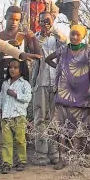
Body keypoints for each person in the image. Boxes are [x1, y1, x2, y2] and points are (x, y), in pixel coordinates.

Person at [46, 25, 90, 170]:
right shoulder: (63, 49)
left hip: (83, 94)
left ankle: (83, 158)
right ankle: (63, 159)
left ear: (83, 36)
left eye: (78, 35)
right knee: (62, 128)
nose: (74, 37)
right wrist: (61, 69)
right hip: (64, 94)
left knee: (83, 128)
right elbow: (48, 59)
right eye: (72, 34)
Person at [31, 12, 67, 166]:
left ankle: (54, 153)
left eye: (48, 20)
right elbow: (35, 51)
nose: (45, 23)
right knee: (40, 118)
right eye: (42, 20)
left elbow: (66, 44)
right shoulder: (36, 37)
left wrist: (54, 29)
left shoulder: (57, 37)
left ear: (53, 21)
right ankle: (41, 154)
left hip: (56, 83)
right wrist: (42, 35)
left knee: (55, 120)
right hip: (41, 82)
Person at [0, 59, 32, 174]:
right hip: (6, 116)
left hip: (19, 116)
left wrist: (15, 94)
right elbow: (1, 98)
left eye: (15, 67)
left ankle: (22, 161)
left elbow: (28, 98)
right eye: (10, 67)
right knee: (6, 141)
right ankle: (7, 163)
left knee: (20, 140)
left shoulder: (24, 84)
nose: (12, 69)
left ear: (21, 69)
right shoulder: (5, 83)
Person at [0, 6, 41, 86]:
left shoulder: (24, 36)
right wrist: (6, 48)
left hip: (21, 77)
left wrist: (33, 38)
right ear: (5, 17)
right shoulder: (0, 36)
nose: (14, 22)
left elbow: (37, 55)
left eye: (17, 20)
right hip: (2, 76)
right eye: (11, 19)